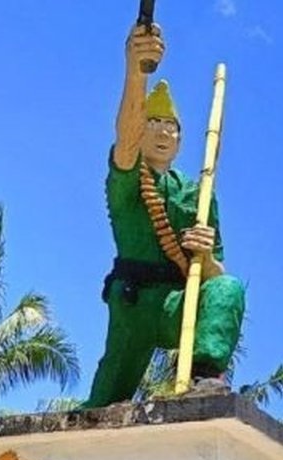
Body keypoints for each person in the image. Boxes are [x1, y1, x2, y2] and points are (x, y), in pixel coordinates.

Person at [82, 22, 246, 408]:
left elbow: (216, 270)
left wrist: (204, 259)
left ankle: (205, 378)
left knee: (228, 288)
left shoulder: (199, 192)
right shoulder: (128, 177)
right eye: (153, 123)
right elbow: (125, 137)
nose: (161, 133)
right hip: (133, 303)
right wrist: (135, 69)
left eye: (170, 127)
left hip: (178, 301)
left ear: (180, 139)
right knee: (104, 401)